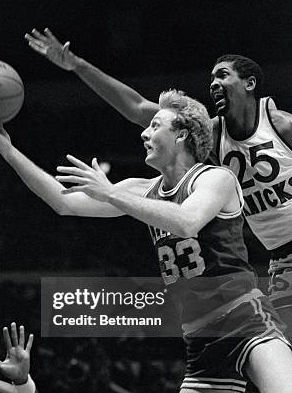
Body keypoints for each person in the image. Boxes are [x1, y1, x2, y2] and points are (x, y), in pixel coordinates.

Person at [0, 90, 292, 393]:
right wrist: (6, 149)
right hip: (202, 343)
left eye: (156, 125)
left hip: (246, 321)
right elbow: (63, 203)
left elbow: (187, 220)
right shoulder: (142, 187)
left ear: (185, 135)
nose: (145, 132)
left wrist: (111, 193)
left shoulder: (215, 179)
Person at [24, 30, 292, 319]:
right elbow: (137, 107)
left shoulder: (281, 125)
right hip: (281, 257)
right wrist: (77, 65)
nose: (214, 83)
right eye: (212, 78)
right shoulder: (213, 134)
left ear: (250, 83)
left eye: (223, 76)